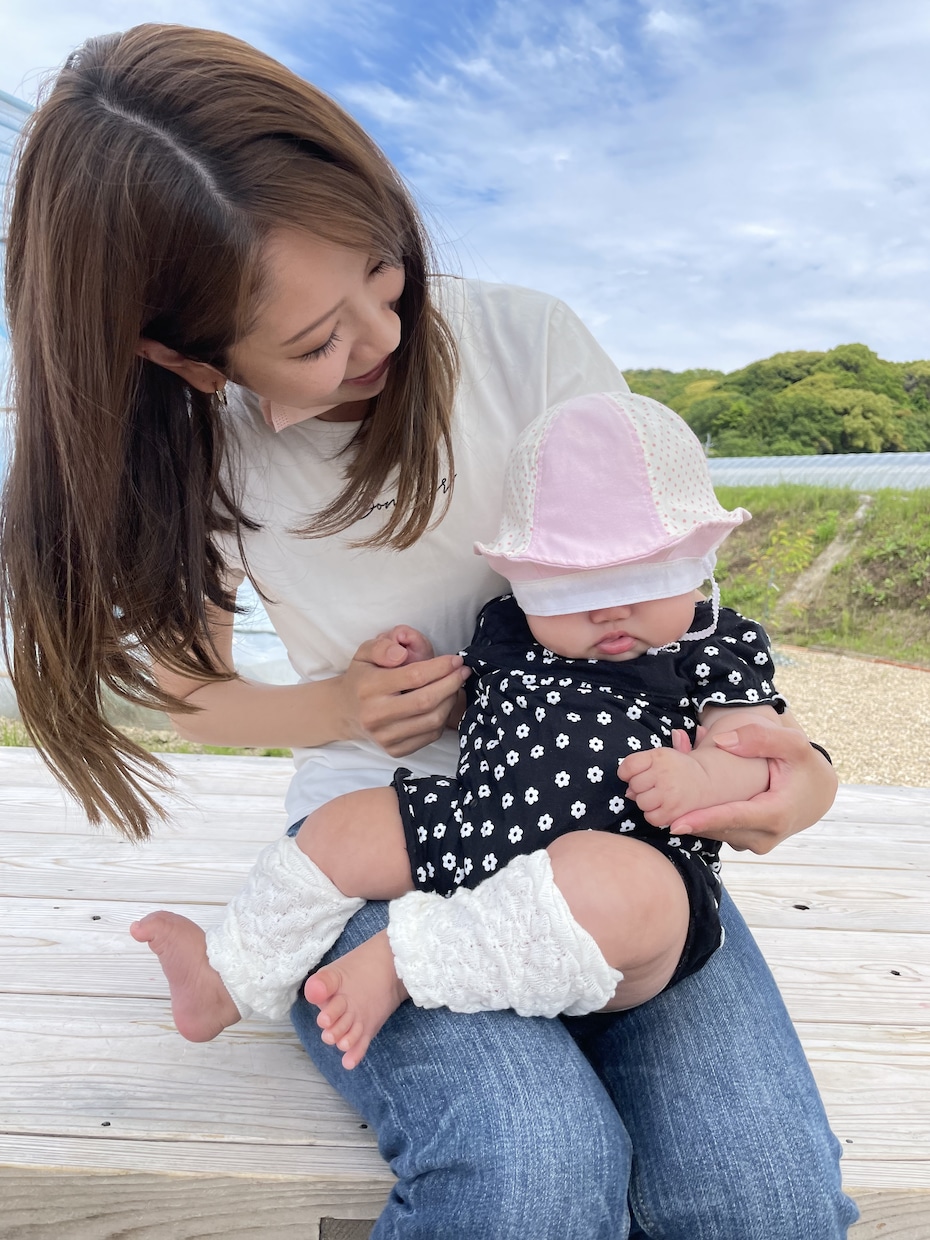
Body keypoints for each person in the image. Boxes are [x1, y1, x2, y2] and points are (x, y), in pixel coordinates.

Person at [0, 24, 857, 1238]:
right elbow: (182, 684)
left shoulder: (530, 344)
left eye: (380, 271)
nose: (384, 338)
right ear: (183, 357)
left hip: (608, 832)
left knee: (760, 1200)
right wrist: (336, 710)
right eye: (314, 341)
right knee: (531, 1171)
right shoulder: (201, 454)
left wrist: (794, 773)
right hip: (381, 834)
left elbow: (678, 602)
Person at [131, 390, 785, 1071]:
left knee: (618, 886)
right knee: (344, 827)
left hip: (625, 865)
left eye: (647, 579)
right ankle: (230, 975)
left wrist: (706, 777)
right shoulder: (510, 630)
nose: (612, 611)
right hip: (481, 827)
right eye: (572, 589)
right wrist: (421, 687)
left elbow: (760, 753)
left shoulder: (712, 643)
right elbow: (472, 709)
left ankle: (404, 962)